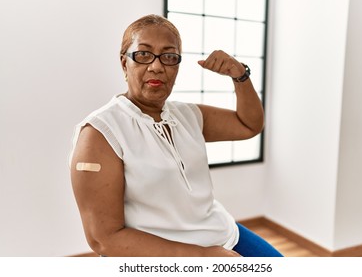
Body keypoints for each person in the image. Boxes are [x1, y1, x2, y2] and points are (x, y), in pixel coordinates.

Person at [69, 14, 283, 257]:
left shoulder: (188, 115)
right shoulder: (100, 133)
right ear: (123, 63)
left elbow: (249, 125)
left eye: (169, 56)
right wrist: (203, 256)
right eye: (143, 54)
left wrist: (240, 76)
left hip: (222, 233)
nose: (157, 66)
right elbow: (104, 240)